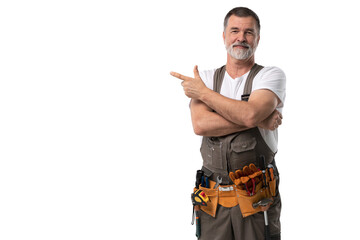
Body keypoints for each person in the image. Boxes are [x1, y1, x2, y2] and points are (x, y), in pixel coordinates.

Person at [170, 7, 286, 240]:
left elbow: (249, 114)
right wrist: (258, 118)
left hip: (256, 199)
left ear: (258, 39)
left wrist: (204, 94)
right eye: (234, 30)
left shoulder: (270, 75)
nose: (241, 38)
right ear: (224, 36)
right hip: (212, 197)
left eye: (248, 32)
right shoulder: (207, 77)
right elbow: (200, 124)